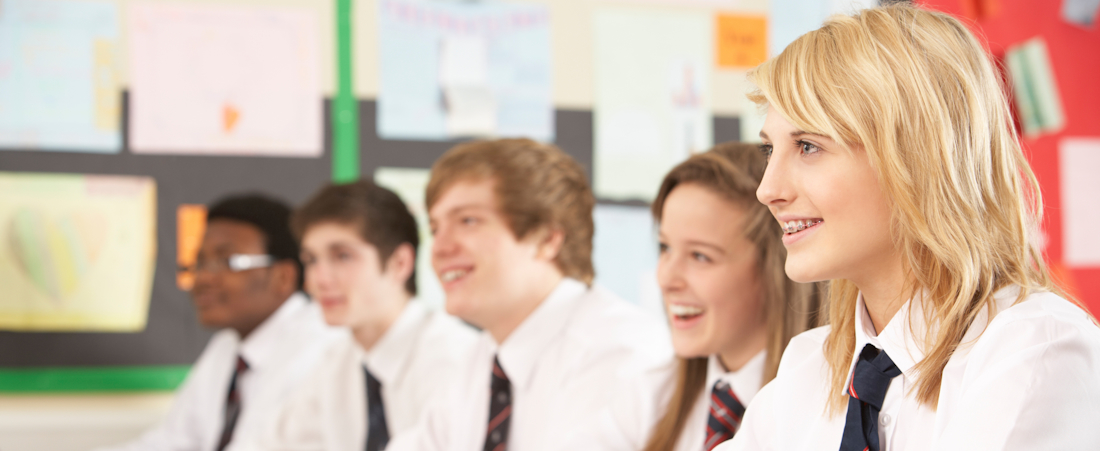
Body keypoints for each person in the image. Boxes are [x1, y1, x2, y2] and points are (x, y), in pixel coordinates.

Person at [716, 4, 1100, 450]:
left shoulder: (1036, 351)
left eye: (807, 146)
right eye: (769, 151)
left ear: (916, 160)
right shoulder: (809, 370)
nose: (768, 189)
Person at [386, 138, 673, 451]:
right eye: (435, 227)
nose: (439, 248)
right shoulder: (480, 360)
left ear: (546, 239)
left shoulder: (620, 355)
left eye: (468, 221)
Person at [567, 142, 822, 451]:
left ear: (776, 267)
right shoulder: (651, 396)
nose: (666, 279)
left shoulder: (823, 404)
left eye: (700, 256)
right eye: (665, 248)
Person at [97, 194, 338, 451]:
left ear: (283, 277)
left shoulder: (323, 349)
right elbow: (175, 441)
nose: (203, 278)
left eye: (227, 261)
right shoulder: (228, 346)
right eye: (199, 263)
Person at [259, 180, 478, 451]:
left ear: (400, 264)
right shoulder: (338, 362)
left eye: (343, 256)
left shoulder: (454, 360)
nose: (319, 279)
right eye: (311, 260)